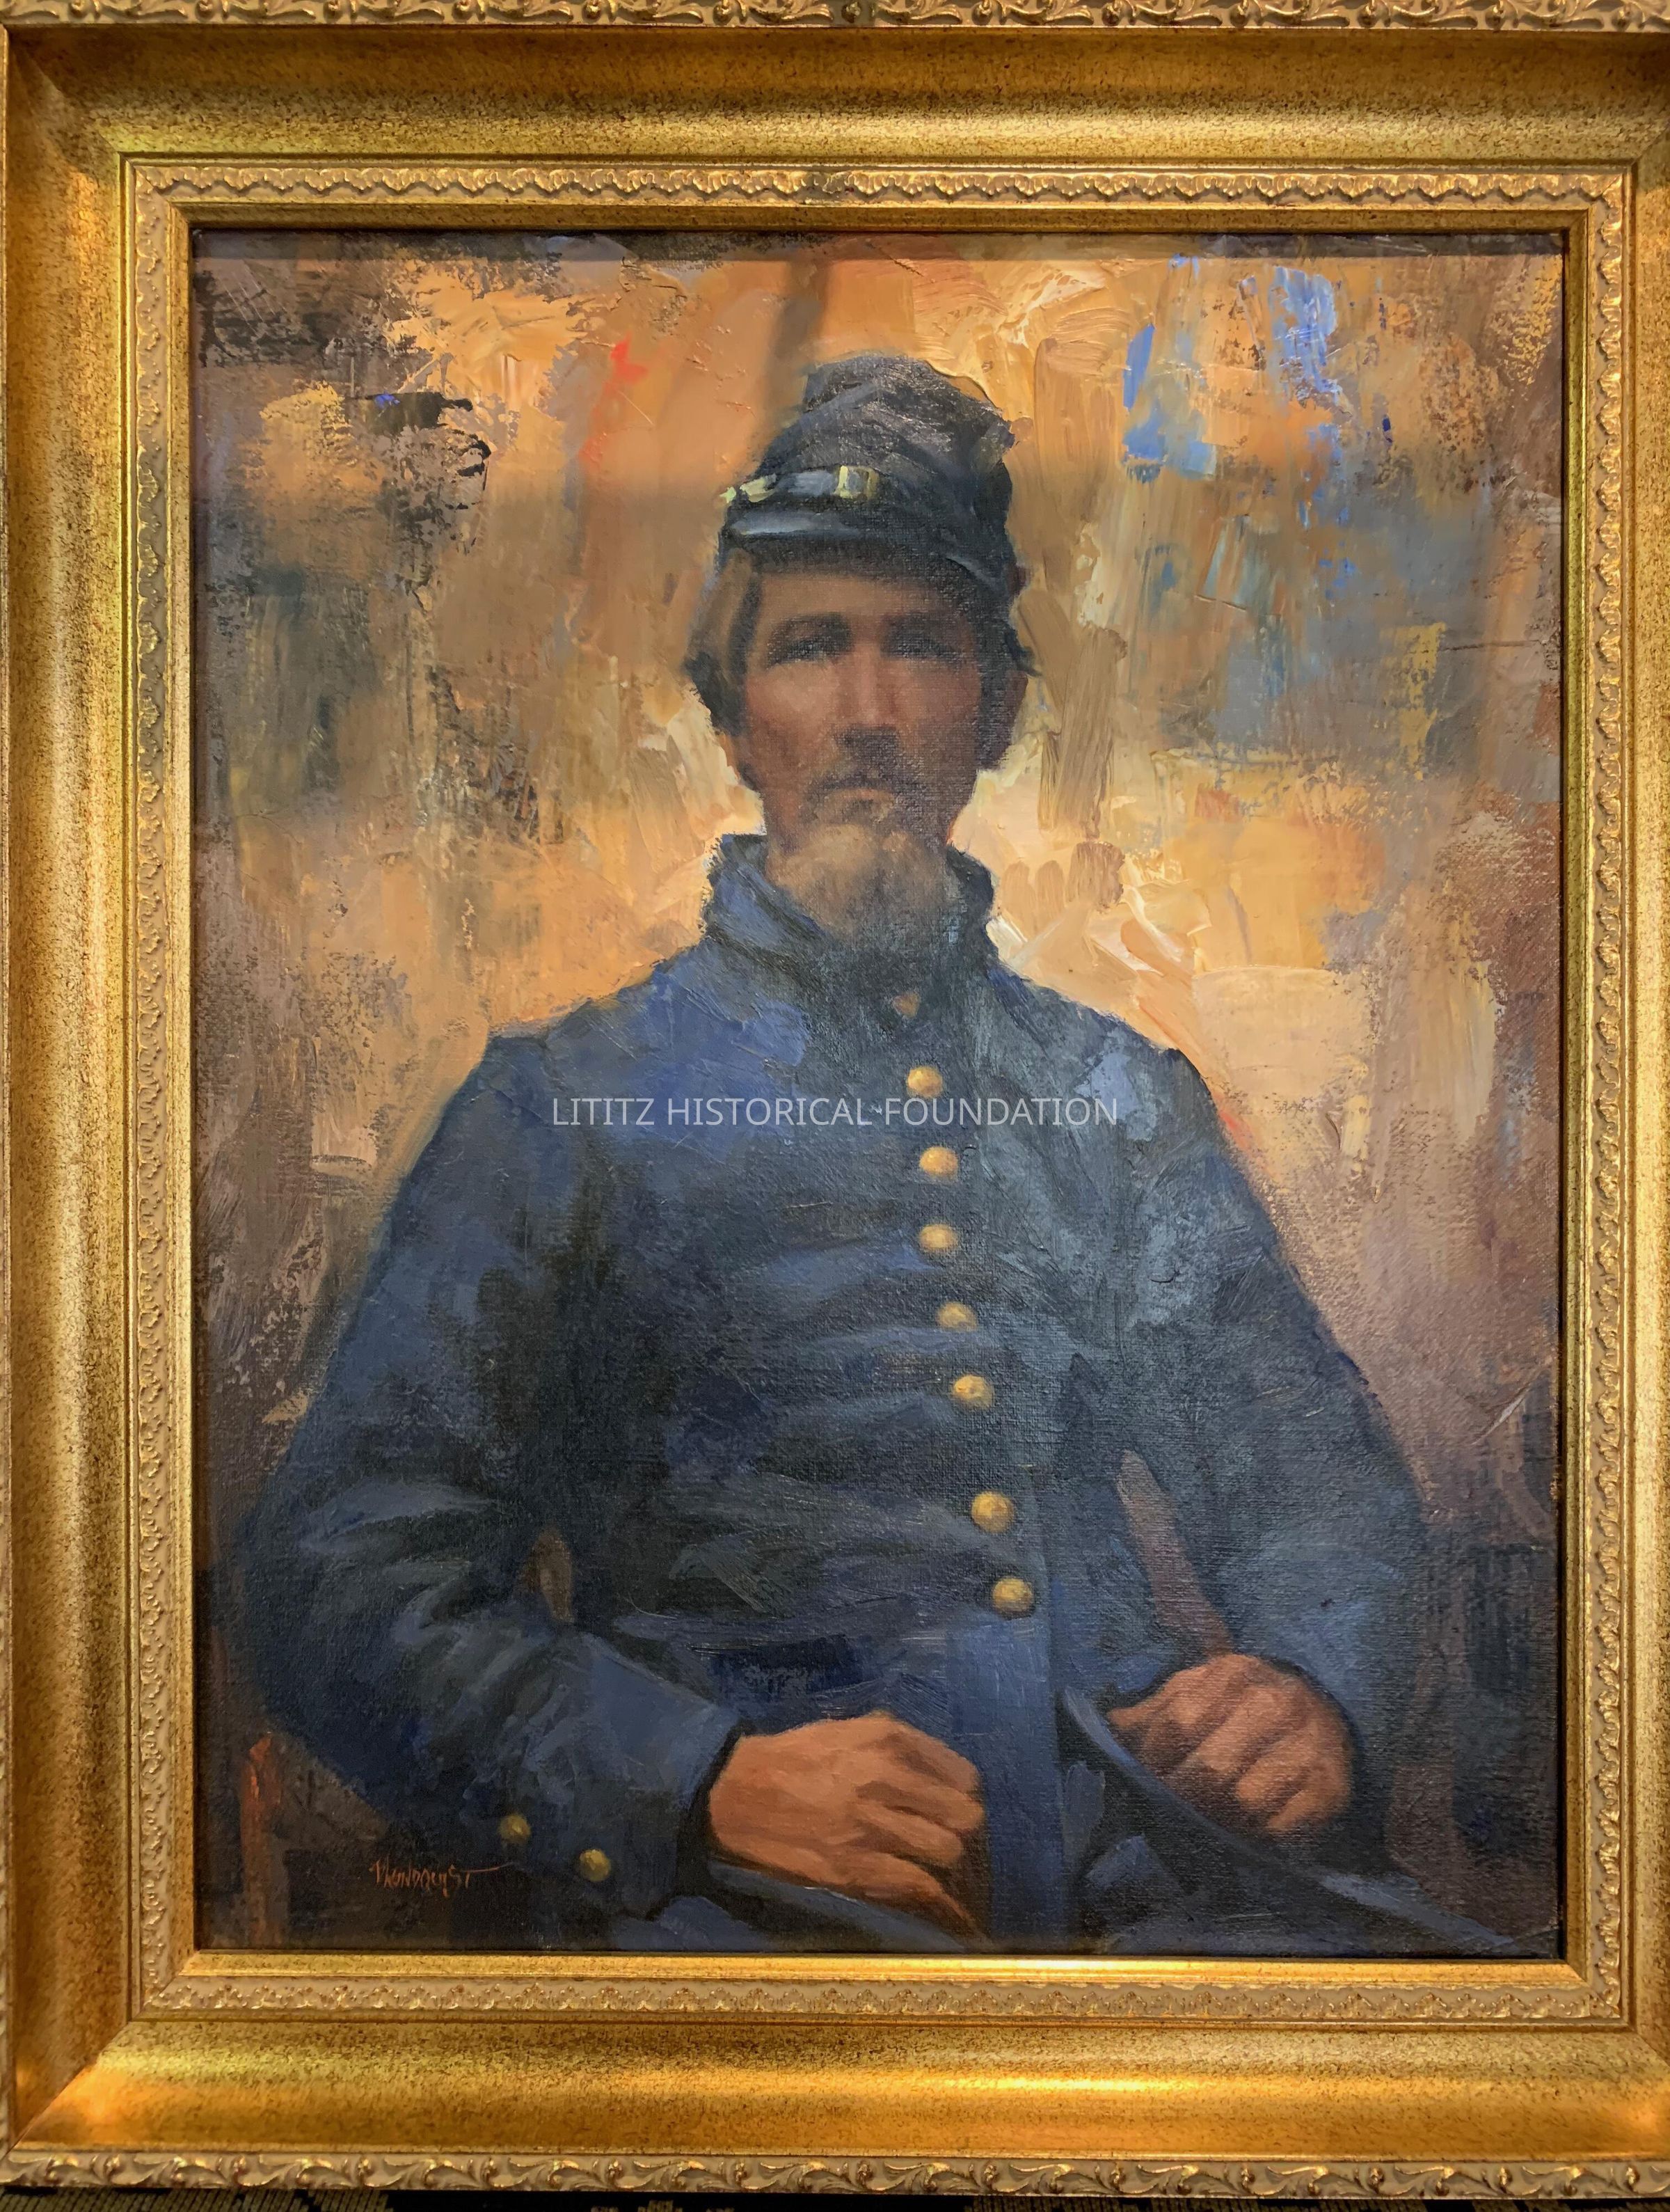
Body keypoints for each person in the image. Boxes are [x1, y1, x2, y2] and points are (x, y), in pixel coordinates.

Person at [239, 354, 1504, 1957]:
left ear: (995, 707)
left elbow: (1314, 1480)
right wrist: (691, 1779)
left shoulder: (1117, 1097)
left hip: (1148, 1886)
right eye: (808, 647)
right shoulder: (561, 1105)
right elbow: (337, 1576)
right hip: (743, 1912)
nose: (869, 713)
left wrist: (1315, 1682)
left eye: (921, 644)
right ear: (733, 715)